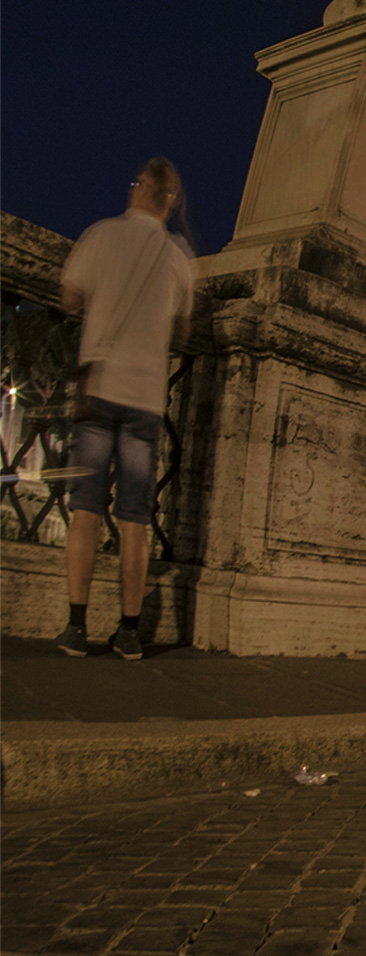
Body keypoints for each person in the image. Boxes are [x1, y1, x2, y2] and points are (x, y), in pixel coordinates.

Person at [54, 160, 198, 660]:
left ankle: (76, 626)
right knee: (135, 516)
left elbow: (70, 296)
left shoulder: (101, 235)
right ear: (170, 203)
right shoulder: (180, 259)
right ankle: (130, 631)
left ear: (142, 191)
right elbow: (182, 330)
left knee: (86, 508)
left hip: (99, 390)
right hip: (146, 400)